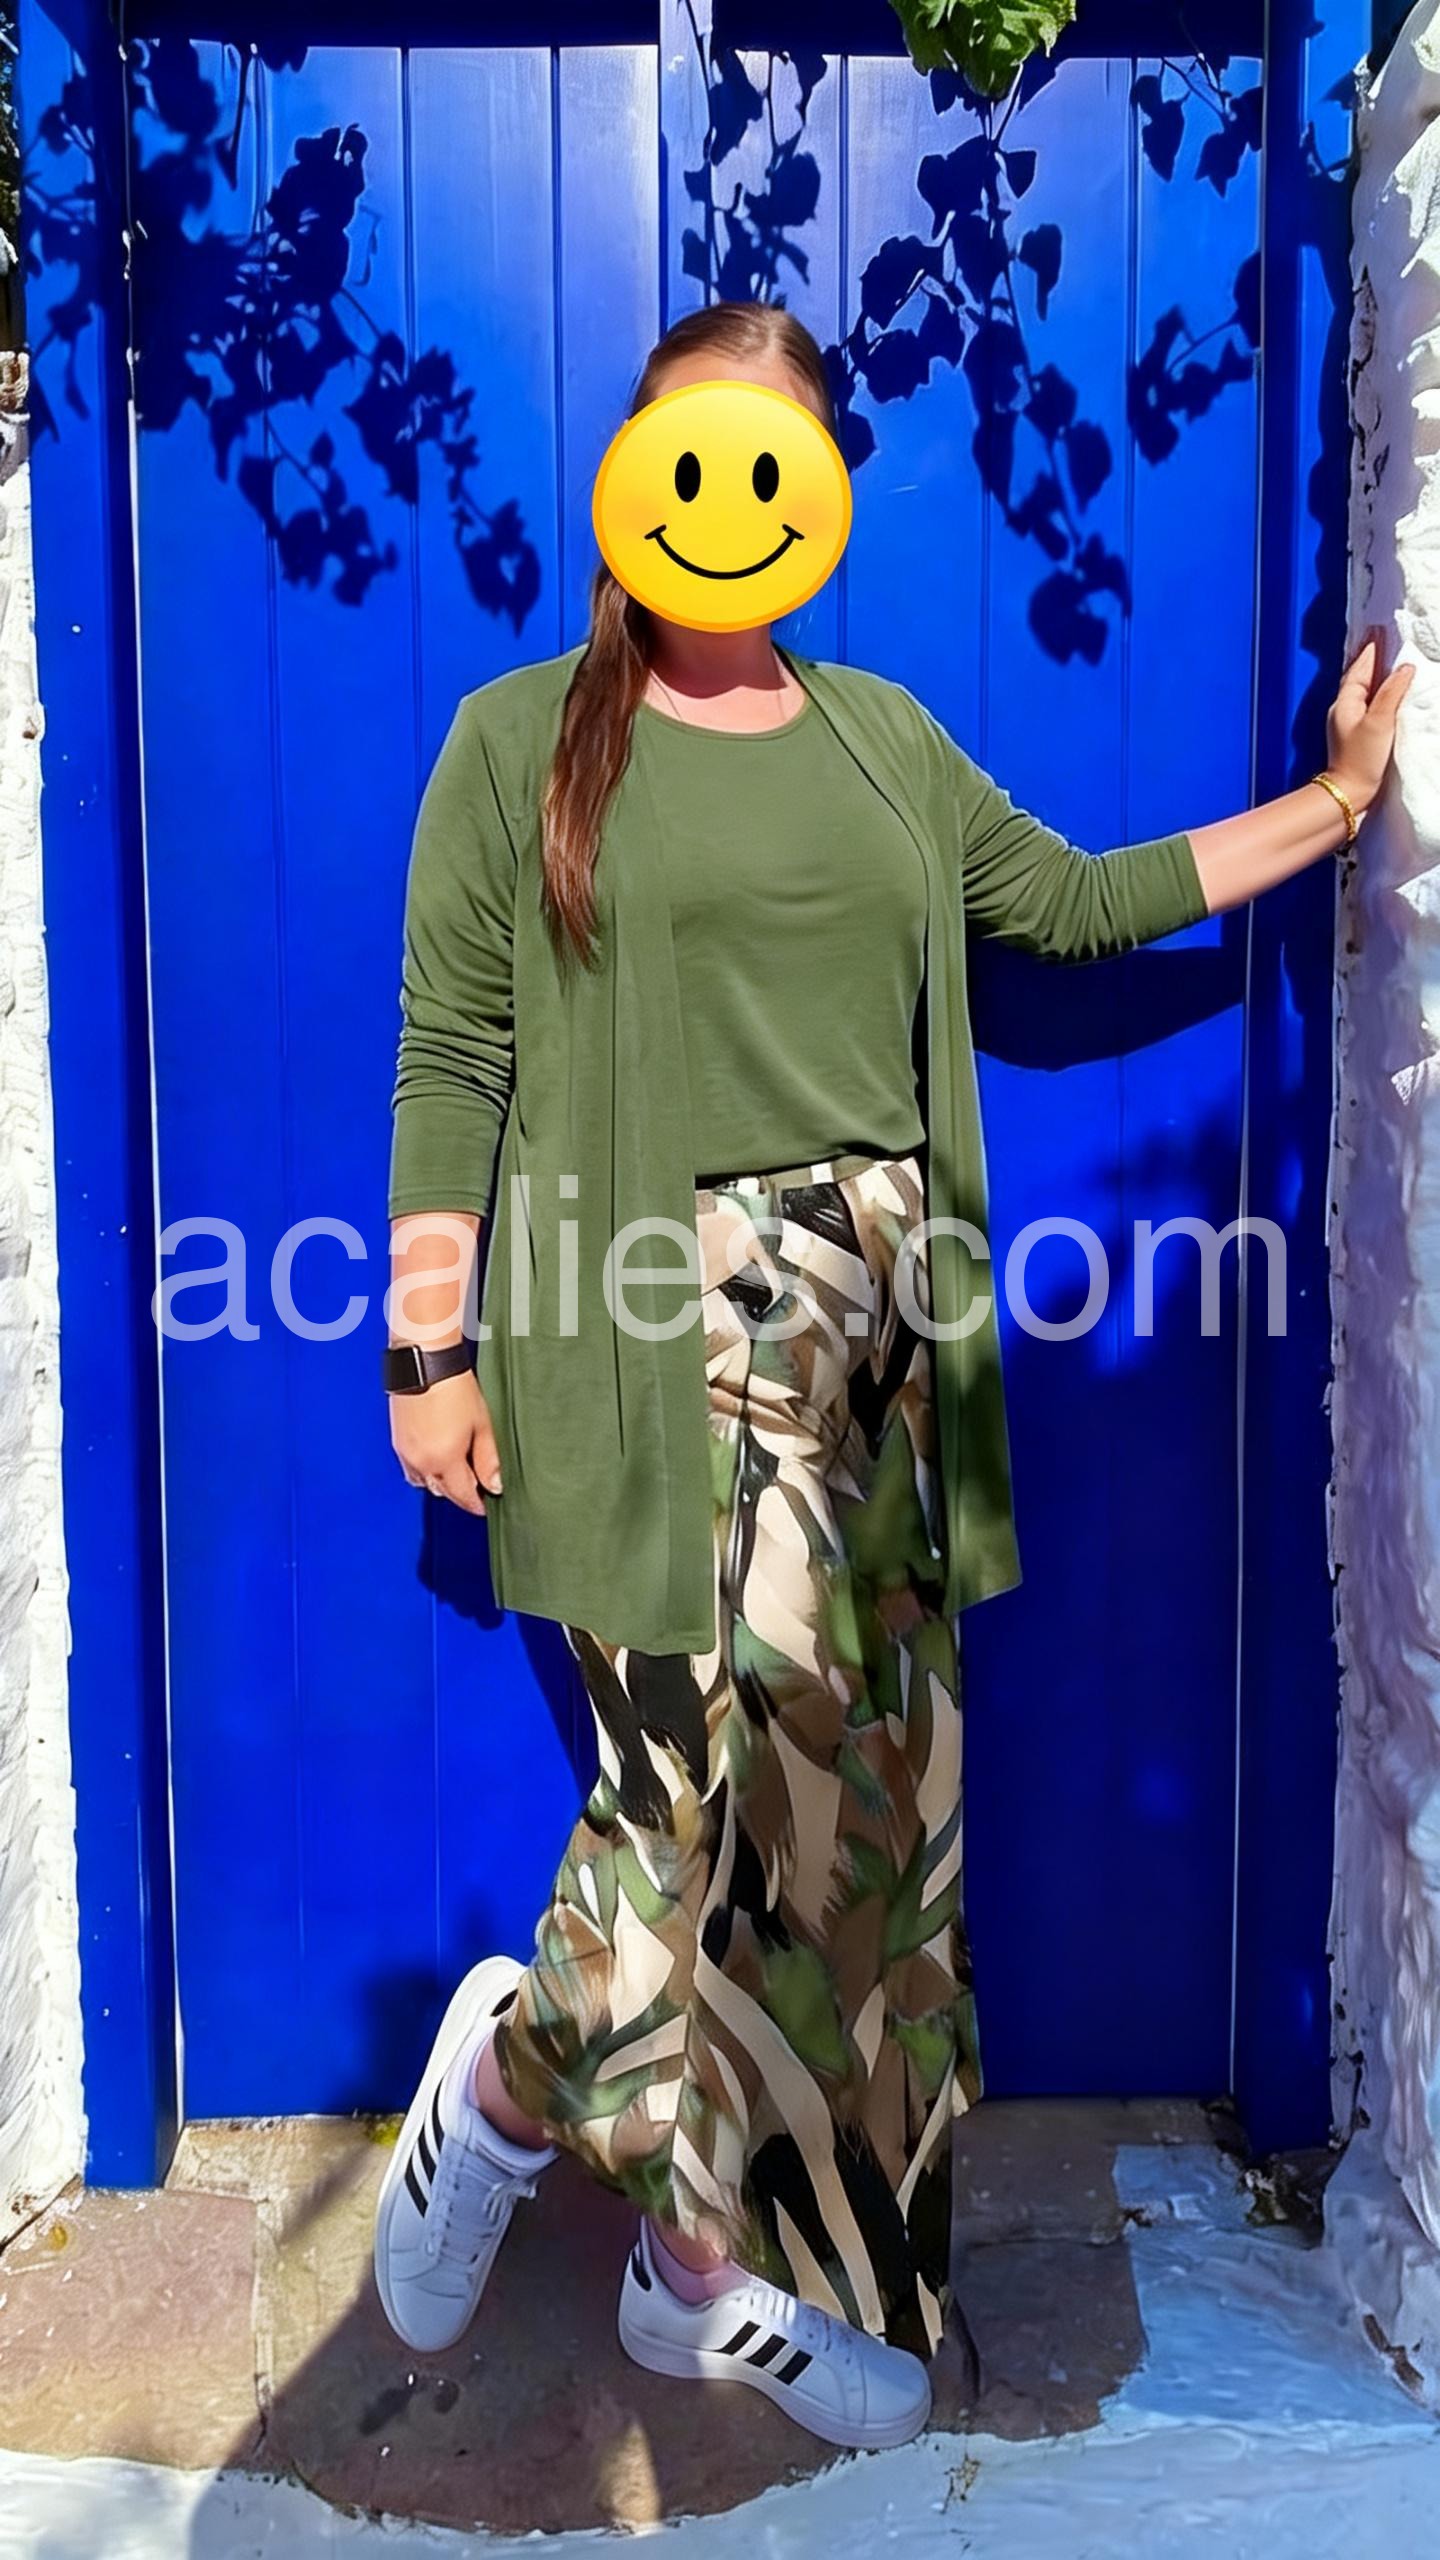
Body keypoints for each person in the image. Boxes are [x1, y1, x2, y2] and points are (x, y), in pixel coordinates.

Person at [372, 299, 1410, 2451]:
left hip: (876, 1354)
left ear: (818, 496)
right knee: (679, 1826)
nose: (723, 497)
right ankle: (505, 2091)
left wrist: (1334, 804)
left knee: (848, 1840)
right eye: (688, 450)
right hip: (640, 1335)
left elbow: (1085, 900)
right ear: (635, 477)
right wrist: (426, 1346)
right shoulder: (517, 742)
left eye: (769, 458)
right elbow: (453, 1051)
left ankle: (701, 2279)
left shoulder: (882, 745)